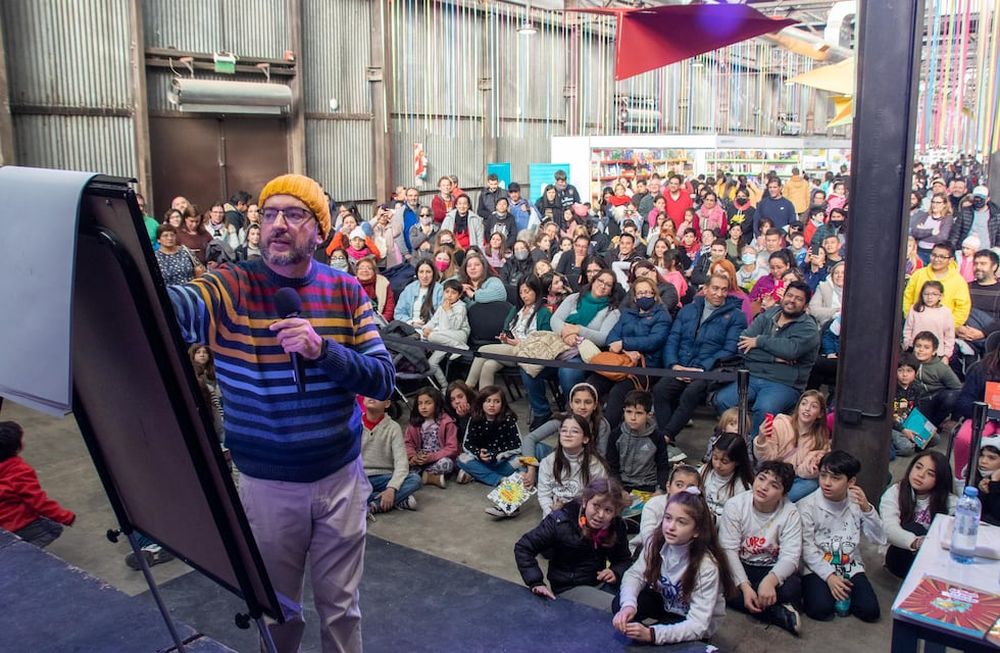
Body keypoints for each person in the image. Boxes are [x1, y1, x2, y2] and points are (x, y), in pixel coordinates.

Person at [166, 173, 395, 653]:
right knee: (277, 610)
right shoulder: (231, 286)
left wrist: (322, 350)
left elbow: (382, 378)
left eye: (294, 214)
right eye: (269, 214)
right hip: (268, 485)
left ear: (318, 229)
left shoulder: (346, 289)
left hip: (340, 480)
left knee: (341, 610)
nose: (278, 224)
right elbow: (173, 307)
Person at [613, 488, 735, 645]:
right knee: (620, 604)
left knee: (653, 639)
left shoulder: (707, 566)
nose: (670, 527)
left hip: (691, 617)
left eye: (681, 522)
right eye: (668, 518)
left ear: (697, 531)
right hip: (666, 601)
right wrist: (628, 605)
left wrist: (652, 634)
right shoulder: (655, 543)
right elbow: (634, 575)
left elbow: (698, 624)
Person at [653, 273, 746, 455]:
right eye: (715, 288)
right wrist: (674, 365)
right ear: (705, 289)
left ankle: (665, 437)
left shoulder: (736, 316)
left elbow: (729, 349)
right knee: (661, 390)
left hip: (710, 370)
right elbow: (673, 338)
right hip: (682, 365)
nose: (719, 293)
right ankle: (668, 442)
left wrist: (701, 369)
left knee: (691, 392)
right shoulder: (689, 309)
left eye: (724, 289)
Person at [714, 281, 821, 436]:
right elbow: (742, 345)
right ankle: (736, 442)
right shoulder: (768, 315)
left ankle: (755, 451)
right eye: (789, 295)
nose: (792, 300)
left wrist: (759, 341)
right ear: (783, 297)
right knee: (723, 400)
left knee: (764, 409)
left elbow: (790, 351)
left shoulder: (808, 328)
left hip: (784, 383)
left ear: (805, 305)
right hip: (753, 376)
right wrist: (774, 358)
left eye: (798, 298)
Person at [521, 269, 621, 427]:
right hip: (558, 347)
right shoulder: (574, 298)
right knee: (528, 367)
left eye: (608, 285)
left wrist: (578, 330)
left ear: (611, 290)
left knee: (567, 371)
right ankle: (541, 412)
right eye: (600, 281)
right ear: (593, 281)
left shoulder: (612, 311)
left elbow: (603, 337)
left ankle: (573, 414)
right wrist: (566, 333)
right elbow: (555, 320)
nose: (602, 286)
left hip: (583, 353)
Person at [718, 461, 803, 635]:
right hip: (741, 564)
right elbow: (728, 550)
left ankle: (759, 599)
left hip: (768, 567)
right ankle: (777, 613)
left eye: (774, 485)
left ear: (783, 493)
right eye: (761, 478)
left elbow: (791, 557)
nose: (763, 487)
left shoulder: (790, 512)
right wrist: (745, 586)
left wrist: (770, 581)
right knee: (716, 584)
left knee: (792, 586)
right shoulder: (735, 505)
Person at [798, 451, 884, 622]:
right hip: (817, 565)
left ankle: (842, 593)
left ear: (851, 481)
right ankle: (831, 592)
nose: (827, 483)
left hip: (849, 564)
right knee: (821, 609)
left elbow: (879, 539)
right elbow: (807, 550)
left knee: (870, 611)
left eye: (836, 478)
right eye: (823, 476)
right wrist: (830, 576)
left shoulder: (857, 501)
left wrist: (868, 510)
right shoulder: (807, 506)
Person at [587, 277, 672, 424]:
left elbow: (654, 341)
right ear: (634, 296)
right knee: (590, 386)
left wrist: (624, 343)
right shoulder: (627, 314)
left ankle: (607, 435)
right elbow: (611, 337)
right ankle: (583, 426)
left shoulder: (662, 315)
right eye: (639, 293)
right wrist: (626, 350)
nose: (643, 296)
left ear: (654, 294)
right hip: (621, 360)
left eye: (647, 292)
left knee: (618, 393)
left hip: (644, 366)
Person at [465, 277, 551, 390]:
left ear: (536, 290)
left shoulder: (544, 313)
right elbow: (506, 329)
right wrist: (504, 338)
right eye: (521, 292)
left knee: (482, 350)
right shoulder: (517, 309)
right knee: (488, 366)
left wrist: (519, 343)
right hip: (508, 349)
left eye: (527, 291)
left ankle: (467, 389)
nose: (524, 296)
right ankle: (485, 400)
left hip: (527, 352)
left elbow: (544, 342)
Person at [521, 383, 611, 490]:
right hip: (561, 459)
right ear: (571, 404)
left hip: (585, 465)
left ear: (595, 405)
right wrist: (531, 468)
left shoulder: (601, 424)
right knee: (529, 456)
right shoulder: (562, 419)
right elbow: (529, 438)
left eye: (588, 402)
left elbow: (601, 457)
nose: (582, 407)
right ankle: (511, 501)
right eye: (577, 402)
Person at [879, 451, 955, 578]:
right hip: (899, 556)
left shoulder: (947, 500)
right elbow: (888, 529)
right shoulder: (895, 493)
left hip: (932, 556)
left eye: (930, 474)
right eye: (918, 467)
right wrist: (917, 542)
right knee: (915, 528)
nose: (920, 475)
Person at [0, 421, 76, 548]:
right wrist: (65, 516)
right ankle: (22, 551)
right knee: (53, 529)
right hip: (16, 523)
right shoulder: (20, 471)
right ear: (17, 446)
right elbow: (38, 501)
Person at [754, 390, 831, 502]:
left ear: (820, 414)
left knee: (812, 484)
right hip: (773, 473)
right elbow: (766, 459)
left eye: (813, 406)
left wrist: (813, 468)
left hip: (795, 479)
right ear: (798, 407)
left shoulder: (820, 439)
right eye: (804, 403)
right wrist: (761, 440)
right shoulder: (780, 424)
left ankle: (777, 502)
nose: (807, 408)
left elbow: (801, 471)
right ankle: (775, 501)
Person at [536, 415, 609, 518]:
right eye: (564, 431)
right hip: (553, 515)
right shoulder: (548, 462)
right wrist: (552, 512)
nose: (568, 435)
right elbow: (544, 495)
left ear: (585, 439)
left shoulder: (594, 465)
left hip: (583, 515)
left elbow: (600, 496)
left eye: (574, 431)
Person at [361, 396, 421, 516]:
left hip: (385, 477)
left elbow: (402, 464)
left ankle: (374, 505)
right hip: (360, 478)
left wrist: (391, 488)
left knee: (414, 479)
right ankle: (399, 499)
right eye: (368, 393)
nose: (372, 397)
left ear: (387, 403)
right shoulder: (355, 424)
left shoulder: (393, 428)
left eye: (377, 394)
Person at [455, 386, 523, 488]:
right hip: (481, 461)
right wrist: (478, 453)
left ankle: (476, 474)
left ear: (502, 404)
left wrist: (498, 454)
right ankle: (500, 480)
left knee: (520, 460)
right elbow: (467, 444)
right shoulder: (474, 419)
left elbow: (517, 445)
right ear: (481, 403)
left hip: (502, 461)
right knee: (461, 459)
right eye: (488, 401)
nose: (492, 405)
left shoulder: (508, 420)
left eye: (497, 401)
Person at [605, 390, 670, 492]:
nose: (633, 418)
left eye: (639, 413)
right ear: (624, 411)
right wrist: (618, 490)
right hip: (621, 485)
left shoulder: (657, 437)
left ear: (649, 415)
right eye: (629, 412)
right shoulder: (616, 435)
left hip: (648, 485)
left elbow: (663, 467)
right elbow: (612, 467)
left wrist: (660, 489)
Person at [902, 241, 970, 329]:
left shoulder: (958, 281)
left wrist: (949, 326)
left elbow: (962, 308)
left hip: (943, 330)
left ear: (951, 260)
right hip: (916, 325)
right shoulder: (919, 274)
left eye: (942, 257)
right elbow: (907, 297)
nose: (936, 259)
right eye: (934, 255)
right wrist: (910, 318)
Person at [404, 387, 459, 489]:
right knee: (401, 462)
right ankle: (430, 477)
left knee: (448, 463)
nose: (423, 407)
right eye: (420, 403)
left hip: (438, 458)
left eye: (428, 403)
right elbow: (408, 443)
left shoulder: (447, 422)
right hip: (420, 459)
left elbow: (452, 448)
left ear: (437, 404)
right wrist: (413, 457)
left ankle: (426, 474)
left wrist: (432, 457)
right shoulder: (414, 423)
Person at [637, 464, 704, 544]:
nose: (684, 490)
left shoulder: (698, 508)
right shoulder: (654, 505)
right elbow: (648, 539)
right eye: (679, 485)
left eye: (690, 487)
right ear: (668, 486)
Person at [422, 279, 470, 387]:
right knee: (431, 363)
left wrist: (449, 310)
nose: (449, 295)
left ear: (459, 295)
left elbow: (456, 326)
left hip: (458, 335)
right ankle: (445, 386)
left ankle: (460, 347)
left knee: (432, 336)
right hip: (446, 339)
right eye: (447, 292)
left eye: (453, 293)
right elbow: (433, 321)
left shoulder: (461, 307)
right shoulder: (442, 306)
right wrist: (426, 328)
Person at [911, 331, 961, 426]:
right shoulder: (908, 362)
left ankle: (935, 424)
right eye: (918, 346)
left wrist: (955, 417)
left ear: (934, 351)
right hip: (912, 399)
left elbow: (957, 389)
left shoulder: (941, 368)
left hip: (932, 401)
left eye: (926, 347)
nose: (921, 350)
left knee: (950, 397)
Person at [699, 433, 753, 519]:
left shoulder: (741, 488)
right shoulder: (704, 471)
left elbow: (739, 518)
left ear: (737, 462)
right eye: (715, 458)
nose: (717, 465)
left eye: (724, 462)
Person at [902, 280, 955, 359]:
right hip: (915, 351)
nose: (930, 297)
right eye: (926, 294)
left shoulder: (945, 312)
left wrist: (946, 355)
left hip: (937, 354)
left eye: (934, 294)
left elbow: (949, 335)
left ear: (940, 296)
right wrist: (907, 344)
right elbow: (908, 329)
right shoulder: (915, 309)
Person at [891, 355, 928, 458]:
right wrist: (903, 429)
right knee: (906, 449)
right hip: (893, 426)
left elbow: (917, 410)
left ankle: (911, 441)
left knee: (934, 439)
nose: (904, 374)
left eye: (909, 371)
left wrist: (918, 427)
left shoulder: (917, 387)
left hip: (909, 422)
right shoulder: (890, 388)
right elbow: (888, 417)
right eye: (900, 371)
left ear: (915, 373)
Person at [393, 259, 443, 328]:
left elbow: (442, 317)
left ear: (433, 273)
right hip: (409, 328)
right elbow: (398, 313)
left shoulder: (440, 290)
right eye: (421, 272)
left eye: (428, 272)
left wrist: (428, 327)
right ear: (417, 274)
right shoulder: (409, 289)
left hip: (430, 330)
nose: (424, 276)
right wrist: (411, 323)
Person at [950, 185, 1000, 251]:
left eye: (981, 198)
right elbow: (956, 233)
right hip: (966, 251)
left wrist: (996, 249)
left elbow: (998, 234)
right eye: (976, 198)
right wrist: (952, 249)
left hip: (987, 251)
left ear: (988, 199)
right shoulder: (964, 212)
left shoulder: (995, 214)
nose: (978, 201)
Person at [911, 192, 954, 264]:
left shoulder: (947, 218)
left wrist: (923, 231)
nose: (935, 205)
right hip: (920, 251)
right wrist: (931, 231)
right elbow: (915, 232)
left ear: (944, 204)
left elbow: (942, 237)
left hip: (934, 253)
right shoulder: (925, 215)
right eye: (933, 202)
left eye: (938, 202)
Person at [975, 436, 1000, 525]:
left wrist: (995, 483)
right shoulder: (977, 476)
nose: (983, 461)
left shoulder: (994, 480)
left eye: (992, 458)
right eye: (981, 455)